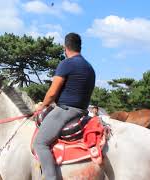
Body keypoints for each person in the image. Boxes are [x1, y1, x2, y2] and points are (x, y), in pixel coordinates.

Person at [33, 33, 95, 180]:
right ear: (79, 46)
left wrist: (42, 106)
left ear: (65, 47)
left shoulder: (66, 63)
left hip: (65, 110)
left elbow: (52, 92)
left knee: (40, 143)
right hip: (83, 111)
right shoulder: (89, 67)